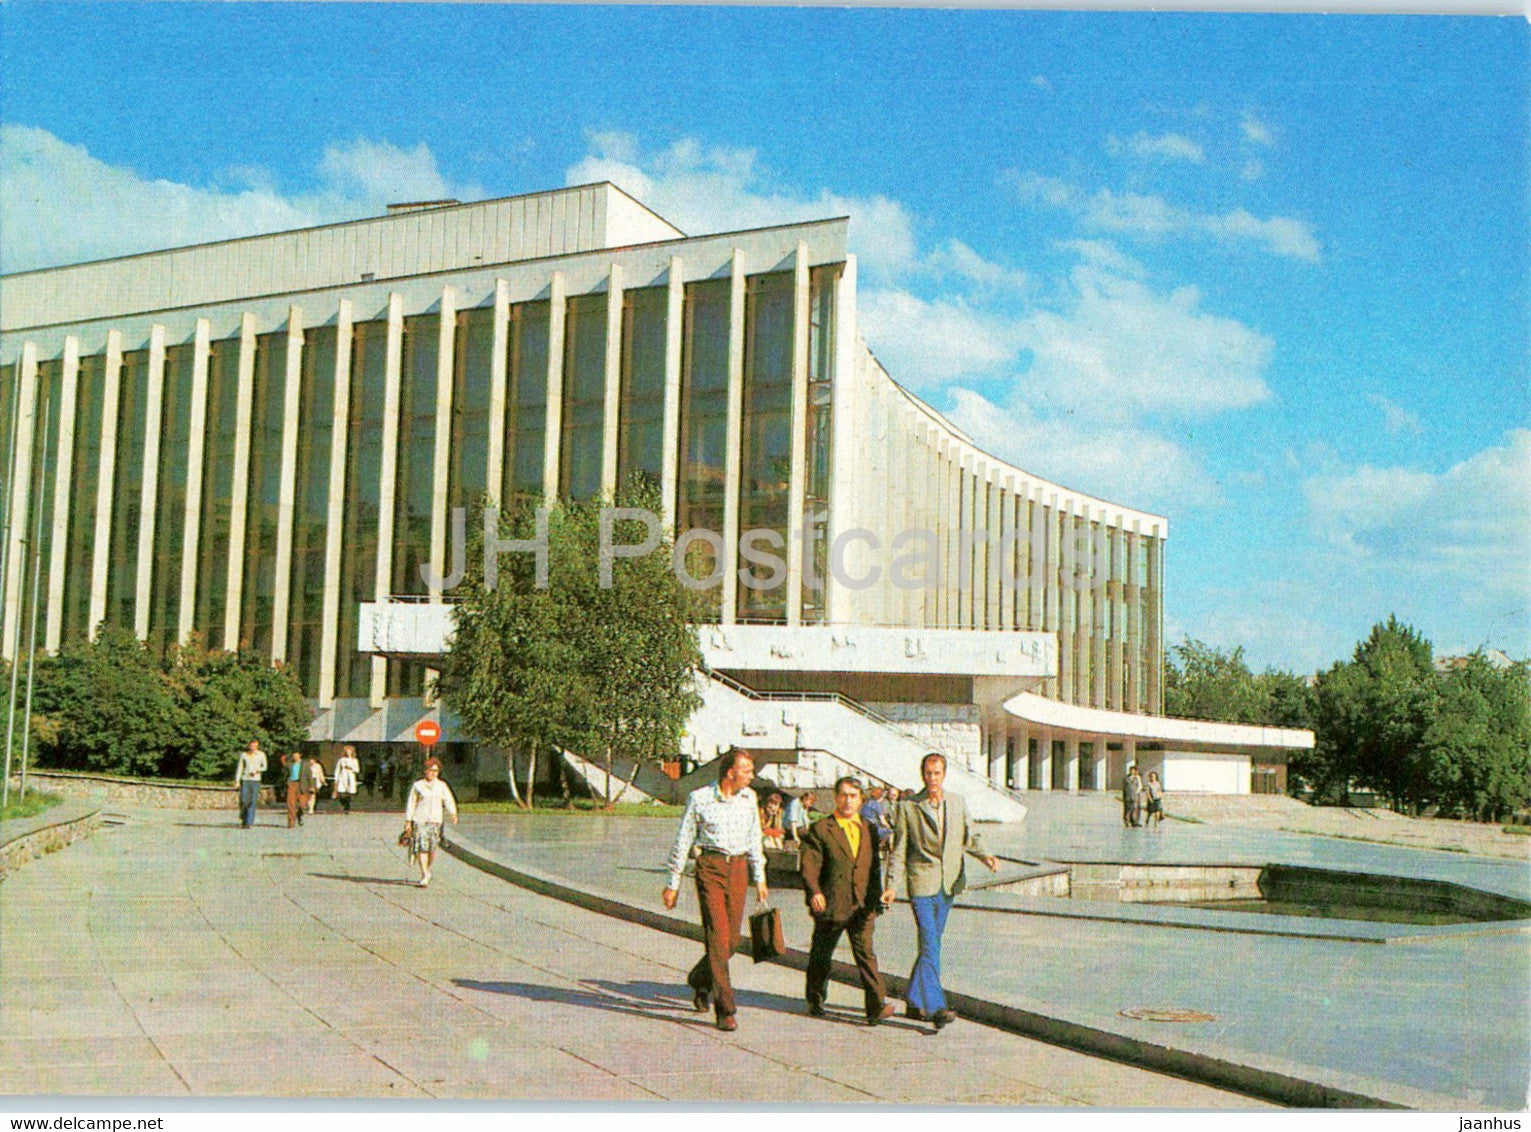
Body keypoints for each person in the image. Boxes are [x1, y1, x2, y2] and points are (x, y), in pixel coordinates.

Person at [883, 752, 998, 1030]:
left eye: (937, 773)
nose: (932, 778)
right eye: (928, 773)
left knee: (931, 945)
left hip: (948, 885)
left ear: (944, 775)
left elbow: (969, 837)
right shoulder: (908, 807)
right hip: (921, 885)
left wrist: (986, 856)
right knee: (930, 944)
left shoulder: (957, 803)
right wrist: (890, 885)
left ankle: (913, 998)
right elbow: (899, 850)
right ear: (922, 775)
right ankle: (935, 1007)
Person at [662, 747, 769, 1033]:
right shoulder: (700, 798)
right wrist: (673, 882)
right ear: (730, 773)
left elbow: (754, 838)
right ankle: (725, 1009)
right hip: (710, 867)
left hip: (738, 868)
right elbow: (683, 840)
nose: (751, 775)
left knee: (731, 940)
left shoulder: (750, 798)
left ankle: (699, 978)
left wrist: (759, 877)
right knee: (717, 935)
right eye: (747, 770)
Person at [799, 777, 896, 1025]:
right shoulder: (822, 828)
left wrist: (879, 894)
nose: (848, 800)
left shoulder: (869, 828)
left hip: (863, 904)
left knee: (866, 954)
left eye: (853, 795)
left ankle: (876, 1006)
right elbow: (809, 865)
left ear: (861, 799)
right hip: (832, 902)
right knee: (822, 953)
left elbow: (873, 866)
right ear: (835, 797)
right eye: (843, 795)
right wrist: (814, 892)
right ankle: (816, 997)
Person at [403, 756, 458, 887]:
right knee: (422, 847)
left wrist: (453, 813)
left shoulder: (442, 785)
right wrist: (408, 821)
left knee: (432, 849)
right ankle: (425, 874)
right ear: (425, 771)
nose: (433, 773)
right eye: (430, 770)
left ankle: (427, 869)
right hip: (420, 819)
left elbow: (448, 800)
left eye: (436, 771)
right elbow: (411, 803)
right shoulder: (418, 785)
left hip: (435, 820)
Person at [234, 740, 267, 828]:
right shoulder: (244, 755)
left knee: (252, 800)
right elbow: (240, 767)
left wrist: (257, 771)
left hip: (256, 780)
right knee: (244, 800)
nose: (253, 748)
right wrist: (237, 780)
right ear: (249, 746)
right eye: (252, 746)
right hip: (245, 779)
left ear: (257, 747)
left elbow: (265, 767)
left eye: (255, 747)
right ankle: (243, 816)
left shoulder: (261, 755)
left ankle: (249, 821)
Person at [332, 745, 361, 815]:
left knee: (349, 793)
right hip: (343, 777)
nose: (348, 752)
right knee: (342, 793)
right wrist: (336, 779)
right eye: (347, 751)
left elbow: (357, 770)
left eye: (350, 751)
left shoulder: (355, 760)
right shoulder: (341, 760)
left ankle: (347, 807)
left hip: (350, 777)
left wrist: (351, 768)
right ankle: (343, 804)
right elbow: (337, 770)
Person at [282, 751, 305, 828]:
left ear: (300, 756)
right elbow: (285, 773)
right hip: (291, 784)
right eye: (294, 756)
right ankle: (291, 821)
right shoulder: (290, 765)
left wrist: (312, 787)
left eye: (296, 756)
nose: (295, 757)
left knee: (302, 804)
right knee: (291, 803)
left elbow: (309, 776)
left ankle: (299, 814)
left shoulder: (305, 764)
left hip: (301, 784)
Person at [1123, 764, 1143, 828]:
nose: (1132, 772)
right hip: (1128, 796)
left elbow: (1140, 786)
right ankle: (1127, 821)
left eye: (1133, 771)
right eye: (1131, 770)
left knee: (1135, 809)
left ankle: (1135, 821)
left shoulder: (1137, 778)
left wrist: (1136, 792)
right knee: (1127, 809)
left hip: (1135, 796)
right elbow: (1124, 787)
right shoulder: (1126, 778)